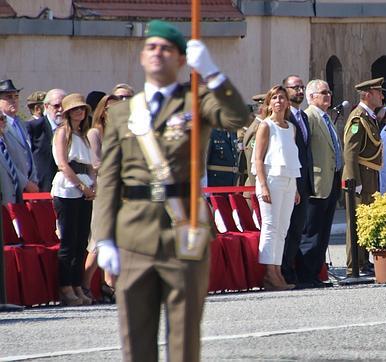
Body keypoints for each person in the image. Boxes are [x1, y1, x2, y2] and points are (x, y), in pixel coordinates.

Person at [93, 20, 249, 361]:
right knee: (135, 342)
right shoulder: (122, 113)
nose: (158, 53)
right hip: (134, 234)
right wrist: (102, 238)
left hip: (184, 231)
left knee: (183, 340)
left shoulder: (197, 103)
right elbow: (108, 181)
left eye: (167, 49)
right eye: (151, 47)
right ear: (141, 56)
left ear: (182, 60)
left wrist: (212, 72)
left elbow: (238, 118)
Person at [251, 85, 301, 291]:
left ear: (288, 103)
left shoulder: (291, 128)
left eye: (282, 98)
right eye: (275, 98)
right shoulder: (266, 126)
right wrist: (263, 186)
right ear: (269, 103)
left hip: (288, 180)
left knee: (282, 228)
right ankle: (270, 273)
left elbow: (291, 159)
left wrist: (296, 187)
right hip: (270, 180)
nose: (279, 101)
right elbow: (258, 159)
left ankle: (277, 269)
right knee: (270, 227)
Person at [52, 93, 96, 306]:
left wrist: (92, 185)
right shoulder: (63, 133)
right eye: (75, 109)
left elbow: (89, 165)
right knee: (68, 241)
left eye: (82, 109)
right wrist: (81, 186)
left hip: (85, 185)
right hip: (68, 188)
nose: (80, 112)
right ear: (68, 113)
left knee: (81, 241)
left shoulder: (84, 135)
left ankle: (77, 284)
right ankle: (65, 286)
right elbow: (62, 163)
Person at [299, 79, 342, 288]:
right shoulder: (309, 116)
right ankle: (306, 276)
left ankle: (316, 274)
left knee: (324, 231)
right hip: (316, 183)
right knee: (312, 232)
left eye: (329, 91)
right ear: (311, 97)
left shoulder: (326, 118)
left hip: (331, 181)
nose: (328, 95)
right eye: (323, 92)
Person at [342, 77, 385, 274]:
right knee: (356, 221)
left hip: (369, 175)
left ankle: (364, 261)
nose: (382, 96)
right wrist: (354, 181)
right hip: (360, 177)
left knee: (366, 219)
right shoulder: (358, 118)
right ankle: (355, 266)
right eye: (378, 92)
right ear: (368, 95)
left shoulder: (369, 117)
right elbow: (350, 152)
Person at [81, 94, 119, 303]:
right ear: (102, 111)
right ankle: (85, 284)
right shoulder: (95, 133)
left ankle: (109, 285)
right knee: (98, 240)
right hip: (103, 189)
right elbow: (96, 164)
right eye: (110, 109)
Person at [281, 75, 313, 285]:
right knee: (288, 231)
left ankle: (296, 273)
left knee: (299, 230)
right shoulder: (283, 119)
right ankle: (284, 273)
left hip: (304, 182)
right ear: (285, 91)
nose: (300, 91)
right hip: (289, 182)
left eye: (302, 87)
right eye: (295, 88)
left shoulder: (304, 117)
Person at [0, 79, 39, 195]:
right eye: (9, 97)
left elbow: (28, 154)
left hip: (27, 188)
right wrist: (26, 183)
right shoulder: (2, 125)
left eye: (16, 96)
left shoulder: (21, 123)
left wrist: (33, 179)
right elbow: (6, 159)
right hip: (10, 187)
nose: (14, 100)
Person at [27, 89, 67, 192]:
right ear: (46, 106)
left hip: (69, 191)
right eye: (56, 106)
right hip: (43, 191)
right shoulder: (34, 128)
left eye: (64, 105)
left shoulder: (74, 129)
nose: (61, 109)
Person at [243, 93, 266, 187]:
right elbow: (251, 161)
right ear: (262, 109)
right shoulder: (256, 129)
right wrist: (256, 186)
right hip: (257, 185)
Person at [0, 113, 23, 204]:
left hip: (14, 200)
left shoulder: (4, 144)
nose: (5, 121)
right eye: (1, 119)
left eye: (4, 118)